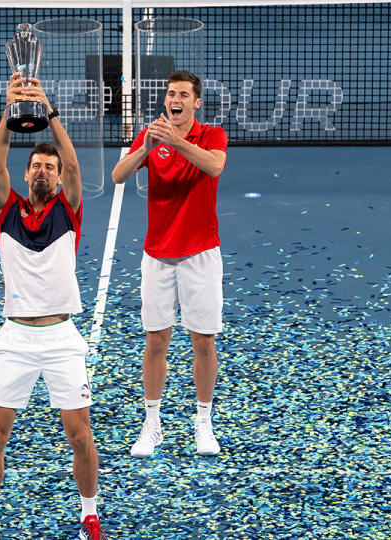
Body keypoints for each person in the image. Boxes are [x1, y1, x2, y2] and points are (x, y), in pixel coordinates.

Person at [0, 75, 107, 540]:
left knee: (81, 436)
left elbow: (72, 159)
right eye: (37, 167)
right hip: (17, 339)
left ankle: (90, 513)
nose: (44, 170)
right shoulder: (6, 209)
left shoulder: (69, 207)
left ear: (60, 177)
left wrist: (48, 110)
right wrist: (10, 113)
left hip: (62, 339)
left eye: (50, 166)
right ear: (27, 176)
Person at [110, 70, 228, 458]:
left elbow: (214, 166)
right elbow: (118, 175)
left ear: (196, 103)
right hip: (158, 256)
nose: (174, 100)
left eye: (183, 95)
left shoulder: (212, 135)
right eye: (170, 94)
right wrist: (146, 147)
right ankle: (152, 423)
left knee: (203, 340)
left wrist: (175, 142)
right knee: (156, 339)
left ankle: (203, 422)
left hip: (200, 255)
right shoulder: (151, 135)